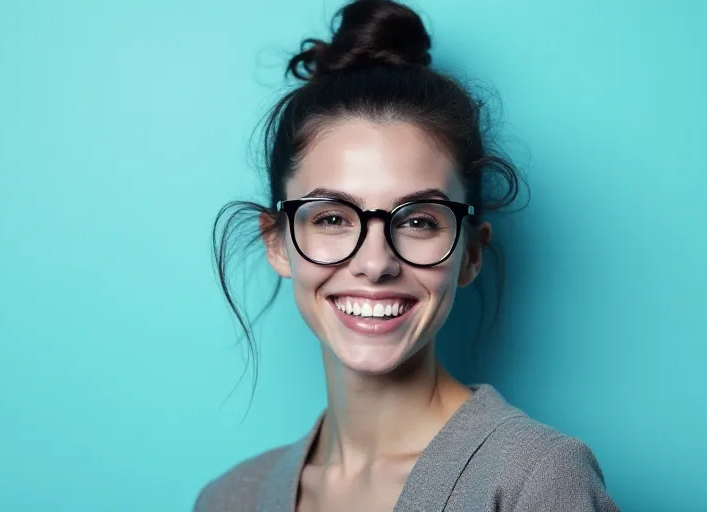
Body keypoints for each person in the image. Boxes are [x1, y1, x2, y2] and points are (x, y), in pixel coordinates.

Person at [195, 1, 621, 510]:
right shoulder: (227, 499)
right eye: (332, 217)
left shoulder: (537, 481)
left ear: (471, 253)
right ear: (277, 242)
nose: (375, 264)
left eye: (418, 221)